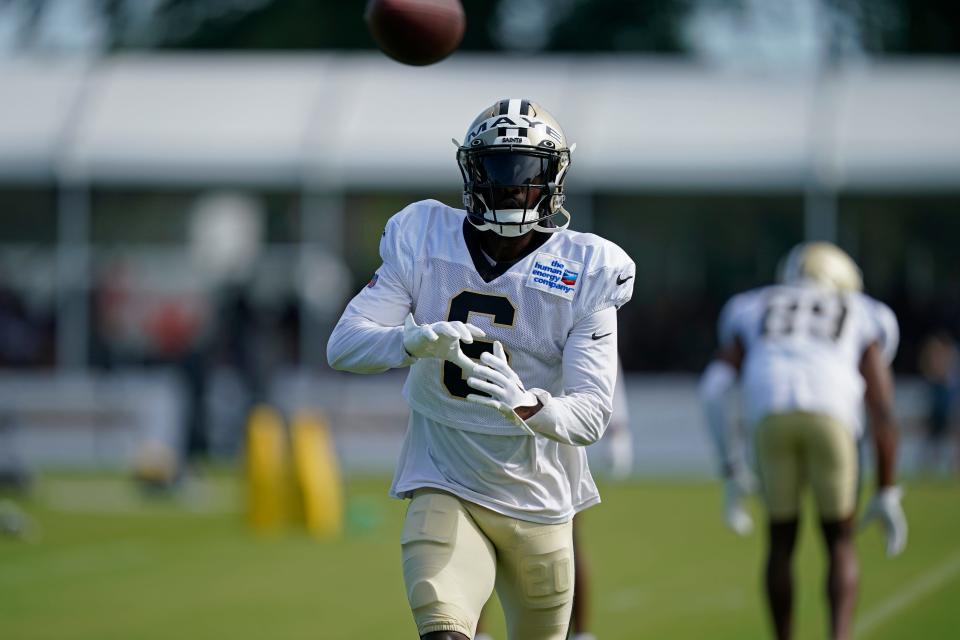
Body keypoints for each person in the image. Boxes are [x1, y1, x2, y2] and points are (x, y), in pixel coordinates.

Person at [327, 99, 634, 640]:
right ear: (472, 172)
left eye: (527, 172)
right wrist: (412, 341)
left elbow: (591, 415)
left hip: (539, 497)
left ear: (554, 179)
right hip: (445, 476)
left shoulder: (588, 268)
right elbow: (344, 345)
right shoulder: (422, 236)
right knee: (443, 629)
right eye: (497, 169)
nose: (512, 187)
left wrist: (529, 402)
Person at [699, 242, 907, 640]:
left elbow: (712, 389)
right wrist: (887, 488)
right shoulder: (863, 311)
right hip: (833, 415)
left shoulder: (752, 305)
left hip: (769, 413)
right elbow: (882, 408)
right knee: (840, 542)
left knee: (780, 542)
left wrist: (730, 468)